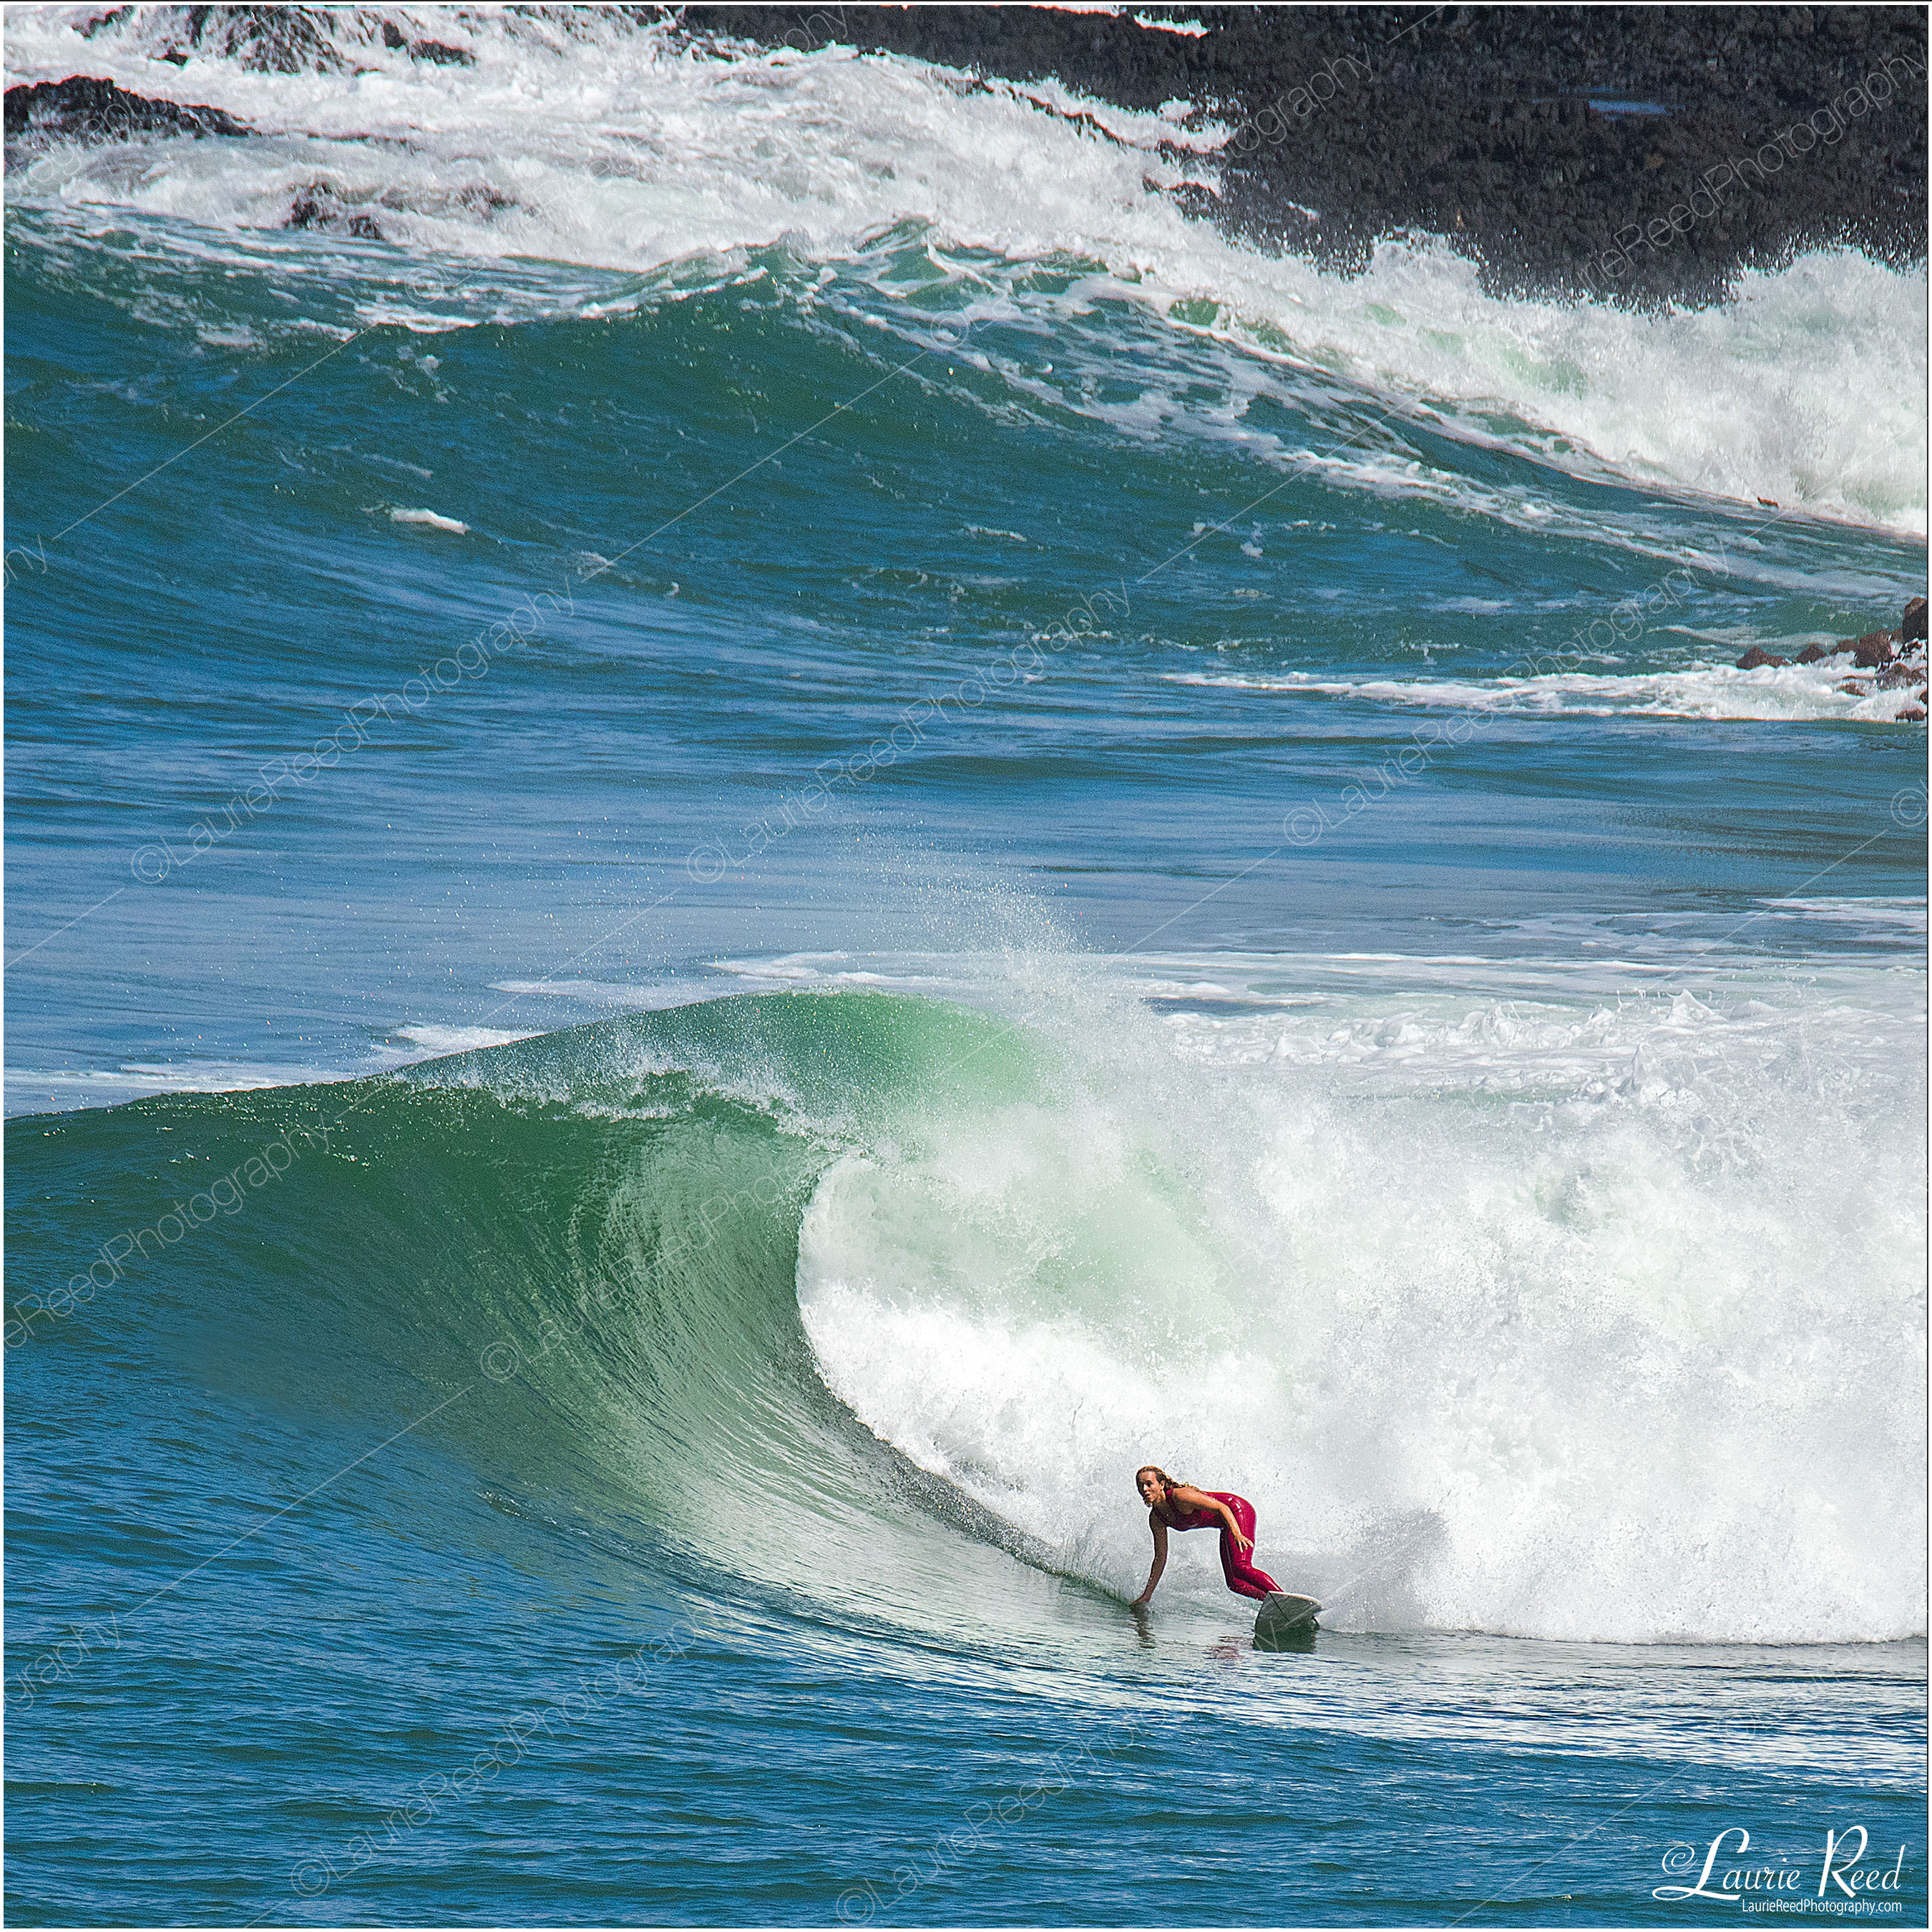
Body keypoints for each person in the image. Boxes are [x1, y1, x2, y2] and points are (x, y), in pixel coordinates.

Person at [1130, 1463, 1282, 1606]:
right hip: (1225, 1525)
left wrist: (1237, 1534)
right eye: (1140, 1485)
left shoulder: (1180, 1496)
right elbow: (1160, 1558)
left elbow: (1222, 1508)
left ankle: (1282, 1597)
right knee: (1234, 1584)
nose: (1144, 1489)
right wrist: (1148, 1594)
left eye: (1149, 1484)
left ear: (1161, 1484)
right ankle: (1273, 1603)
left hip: (1236, 1511)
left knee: (1241, 1566)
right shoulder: (1157, 1519)